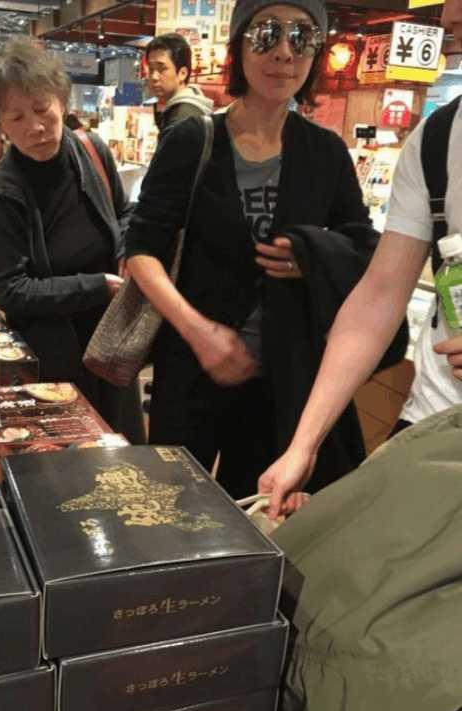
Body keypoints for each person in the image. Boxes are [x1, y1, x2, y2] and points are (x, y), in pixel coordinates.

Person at [125, 0, 381, 498]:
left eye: (302, 37)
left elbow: (363, 246)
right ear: (238, 47)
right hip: (192, 364)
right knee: (171, 504)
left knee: (260, 512)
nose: (284, 52)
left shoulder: (325, 152)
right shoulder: (192, 139)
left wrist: (313, 253)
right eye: (266, 34)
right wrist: (199, 333)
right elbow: (141, 248)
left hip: (283, 377)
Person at [259, 0, 462, 518]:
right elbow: (379, 295)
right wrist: (304, 444)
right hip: (434, 421)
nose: (448, 16)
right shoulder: (436, 141)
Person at [0, 37, 144, 441]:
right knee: (71, 455)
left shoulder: (91, 151)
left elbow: (123, 212)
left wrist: (128, 253)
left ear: (62, 102)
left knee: (124, 448)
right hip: (53, 355)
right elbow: (10, 289)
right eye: (16, 117)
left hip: (113, 340)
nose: (34, 127)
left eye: (41, 109)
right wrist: (97, 286)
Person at [145, 33, 214, 134]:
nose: (154, 77)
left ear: (182, 73)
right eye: (151, 69)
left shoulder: (183, 119)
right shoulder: (183, 110)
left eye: (162, 68)